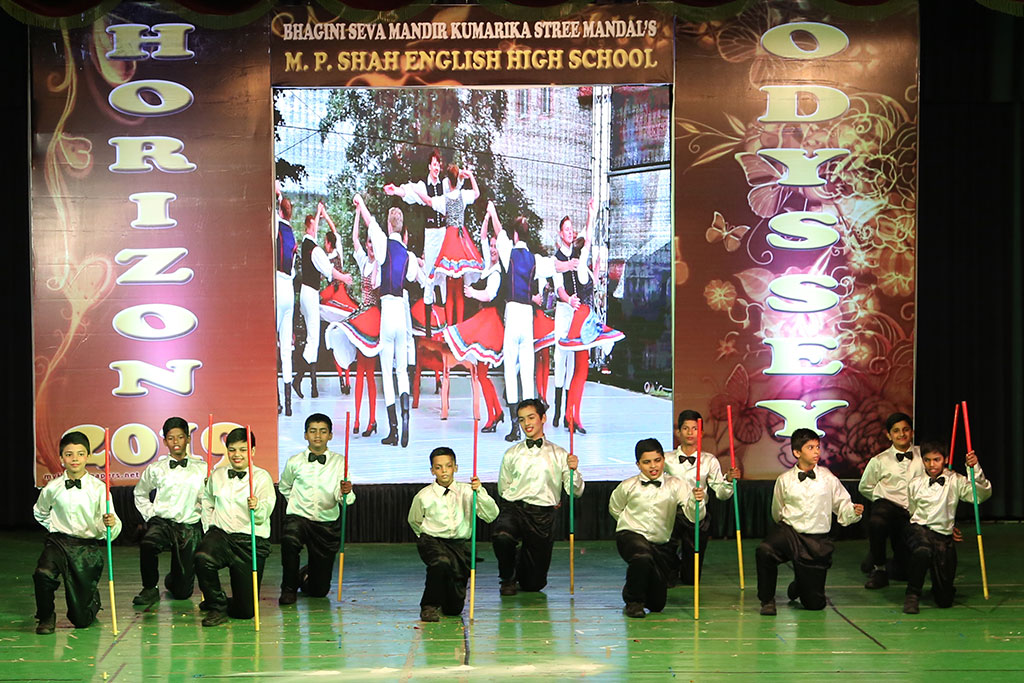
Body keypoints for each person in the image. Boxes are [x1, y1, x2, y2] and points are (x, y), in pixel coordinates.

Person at [756, 428, 863, 616]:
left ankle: (800, 585)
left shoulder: (828, 478)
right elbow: (777, 511)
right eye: (810, 447)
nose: (816, 452)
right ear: (797, 452)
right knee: (765, 551)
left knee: (814, 604)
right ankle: (767, 600)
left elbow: (842, 503)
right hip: (790, 533)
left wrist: (852, 511)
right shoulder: (784, 480)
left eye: (818, 447)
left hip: (816, 540)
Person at [352, 193, 426, 447]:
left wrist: (360, 202)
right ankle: (405, 423)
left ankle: (393, 430)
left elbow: (369, 221)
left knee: (386, 371)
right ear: (402, 228)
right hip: (401, 314)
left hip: (386, 312)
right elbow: (420, 279)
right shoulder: (409, 255)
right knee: (402, 370)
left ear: (388, 224)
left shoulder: (382, 244)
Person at [32, 431, 121, 634]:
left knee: (80, 620)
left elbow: (112, 526)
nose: (75, 459)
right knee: (43, 573)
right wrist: (53, 527)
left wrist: (109, 524)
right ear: (61, 458)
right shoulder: (52, 488)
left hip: (86, 548)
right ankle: (46, 616)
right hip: (58, 543)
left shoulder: (99, 489)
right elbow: (40, 512)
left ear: (88, 456)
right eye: (69, 454)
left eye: (80, 454)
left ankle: (91, 600)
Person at [493, 398, 584, 595]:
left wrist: (574, 471)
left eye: (531, 417)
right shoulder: (511, 453)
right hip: (515, 509)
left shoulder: (560, 454)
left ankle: (520, 559)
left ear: (543, 418)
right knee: (502, 536)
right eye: (521, 419)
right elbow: (503, 487)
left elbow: (575, 491)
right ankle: (507, 578)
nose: (526, 423)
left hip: (543, 516)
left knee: (533, 585)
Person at [486, 203, 558, 441]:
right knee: (527, 371)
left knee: (510, 369)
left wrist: (493, 212)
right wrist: (570, 264)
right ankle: (531, 426)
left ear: (515, 235)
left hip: (513, 311)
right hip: (527, 315)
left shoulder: (509, 251)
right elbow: (555, 266)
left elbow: (498, 231)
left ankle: (515, 427)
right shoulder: (535, 259)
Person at [609, 438, 701, 618]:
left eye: (657, 460)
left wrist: (697, 501)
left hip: (660, 544)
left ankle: (638, 588)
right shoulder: (627, 486)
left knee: (657, 604)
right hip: (630, 535)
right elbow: (615, 508)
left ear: (663, 460)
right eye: (646, 462)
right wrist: (627, 523)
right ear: (638, 464)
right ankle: (633, 601)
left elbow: (693, 516)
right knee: (641, 556)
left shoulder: (677, 485)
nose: (653, 466)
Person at [195, 428, 276, 627]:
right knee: (202, 557)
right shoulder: (217, 475)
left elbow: (265, 513)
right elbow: (207, 500)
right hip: (222, 536)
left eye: (243, 449)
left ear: (252, 451)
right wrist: (209, 527)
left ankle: (228, 602)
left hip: (250, 541)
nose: (237, 455)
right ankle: (217, 606)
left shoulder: (262, 477)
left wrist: (257, 507)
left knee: (245, 612)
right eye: (232, 450)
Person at [408, 446, 499, 622]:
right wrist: (425, 538)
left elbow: (491, 515)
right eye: (438, 467)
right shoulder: (424, 496)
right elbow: (414, 520)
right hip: (433, 541)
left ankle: (447, 600)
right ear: (432, 470)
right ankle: (429, 606)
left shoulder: (469, 491)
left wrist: (480, 491)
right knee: (440, 562)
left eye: (448, 466)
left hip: (458, 545)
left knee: (453, 609)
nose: (444, 471)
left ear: (455, 468)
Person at [903, 442, 991, 614]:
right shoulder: (914, 483)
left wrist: (974, 468)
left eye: (936, 459)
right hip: (919, 529)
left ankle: (940, 587)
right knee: (923, 550)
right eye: (927, 460)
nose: (931, 464)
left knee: (944, 600)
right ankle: (912, 594)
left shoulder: (955, 480)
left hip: (942, 536)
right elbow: (912, 510)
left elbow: (979, 495)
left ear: (945, 459)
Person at [278, 414, 356, 605]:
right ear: (306, 435)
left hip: (326, 523)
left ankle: (304, 575)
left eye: (323, 431)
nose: (318, 436)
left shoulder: (340, 462)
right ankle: (288, 588)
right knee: (289, 541)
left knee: (318, 591)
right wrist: (295, 502)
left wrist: (345, 492)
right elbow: (284, 486)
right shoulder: (294, 461)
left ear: (330, 435)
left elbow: (346, 499)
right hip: (299, 517)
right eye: (313, 431)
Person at [131, 417, 207, 606]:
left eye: (180, 437)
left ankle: (173, 580)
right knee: (148, 544)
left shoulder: (202, 469)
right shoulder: (156, 469)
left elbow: (210, 499)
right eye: (171, 438)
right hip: (162, 523)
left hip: (189, 525)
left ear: (188, 438)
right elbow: (140, 493)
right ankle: (150, 588)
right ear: (165, 441)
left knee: (182, 593)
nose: (176, 442)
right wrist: (151, 514)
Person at [664, 410, 740, 585]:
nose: (690, 432)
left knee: (691, 579)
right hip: (671, 513)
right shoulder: (666, 459)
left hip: (698, 515)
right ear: (678, 432)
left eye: (695, 428)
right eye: (686, 428)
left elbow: (721, 493)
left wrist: (729, 480)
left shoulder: (709, 460)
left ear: (701, 433)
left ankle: (685, 566)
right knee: (666, 569)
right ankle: (672, 566)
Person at [385, 148, 449, 336]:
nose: (436, 168)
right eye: (434, 164)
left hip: (443, 233)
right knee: (430, 275)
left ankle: (443, 324)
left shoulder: (444, 185)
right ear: (429, 166)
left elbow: (455, 189)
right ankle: (428, 328)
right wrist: (396, 190)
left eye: (438, 165)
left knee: (444, 275)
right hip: (431, 235)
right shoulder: (423, 186)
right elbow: (410, 191)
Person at [293, 201, 353, 400]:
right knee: (313, 341)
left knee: (313, 339)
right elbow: (328, 270)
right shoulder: (316, 250)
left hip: (305, 293)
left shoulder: (306, 244)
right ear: (311, 228)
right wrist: (344, 278)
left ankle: (312, 386)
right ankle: (298, 378)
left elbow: (314, 231)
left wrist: (319, 214)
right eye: (315, 226)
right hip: (312, 294)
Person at [411, 163, 484, 325]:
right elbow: (477, 193)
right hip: (461, 239)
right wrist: (471, 176)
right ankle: (459, 325)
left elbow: (428, 201)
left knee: (450, 289)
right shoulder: (463, 195)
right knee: (459, 288)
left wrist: (417, 191)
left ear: (448, 181)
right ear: (458, 179)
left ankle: (450, 326)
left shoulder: (444, 199)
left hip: (450, 239)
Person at [858, 412, 925, 588]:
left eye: (905, 429)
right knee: (877, 521)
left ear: (912, 432)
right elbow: (865, 487)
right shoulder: (879, 460)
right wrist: (882, 498)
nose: (901, 434)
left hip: (913, 514)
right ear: (889, 435)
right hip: (888, 510)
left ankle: (875, 559)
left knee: (904, 573)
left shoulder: (924, 456)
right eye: (896, 431)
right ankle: (879, 570)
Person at [551, 202, 593, 428]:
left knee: (572, 359)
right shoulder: (557, 258)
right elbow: (559, 287)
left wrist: (590, 213)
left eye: (571, 229)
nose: (570, 232)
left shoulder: (577, 251)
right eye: (566, 229)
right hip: (564, 310)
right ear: (561, 233)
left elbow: (588, 232)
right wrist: (569, 300)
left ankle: (569, 413)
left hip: (576, 312)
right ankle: (557, 410)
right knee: (560, 357)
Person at [275, 185, 298, 416]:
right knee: (286, 351)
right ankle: (289, 405)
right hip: (289, 291)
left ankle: (278, 400)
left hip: (278, 286)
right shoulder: (292, 234)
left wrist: (278, 194)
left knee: (272, 347)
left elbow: (273, 214)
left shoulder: (278, 227)